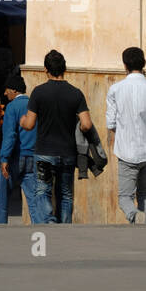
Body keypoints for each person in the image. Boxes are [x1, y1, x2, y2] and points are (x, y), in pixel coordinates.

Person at [20, 49, 92, 223]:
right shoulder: (76, 93)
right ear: (64, 68)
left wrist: (22, 120)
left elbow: (29, 125)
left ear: (46, 69)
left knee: (42, 190)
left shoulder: (39, 92)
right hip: (67, 153)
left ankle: (48, 223)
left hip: (44, 151)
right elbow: (87, 124)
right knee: (66, 194)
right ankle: (64, 229)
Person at [106, 46, 146, 225]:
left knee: (124, 197)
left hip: (126, 152)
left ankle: (134, 216)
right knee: (145, 195)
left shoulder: (115, 90)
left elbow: (110, 123)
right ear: (144, 64)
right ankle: (144, 230)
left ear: (125, 65)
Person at [0, 70, 37, 224]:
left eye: (7, 90)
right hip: (33, 157)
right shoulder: (34, 105)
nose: (5, 93)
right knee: (33, 200)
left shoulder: (12, 107)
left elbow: (10, 135)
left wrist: (4, 158)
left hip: (15, 158)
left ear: (14, 90)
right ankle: (40, 228)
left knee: (3, 198)